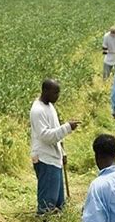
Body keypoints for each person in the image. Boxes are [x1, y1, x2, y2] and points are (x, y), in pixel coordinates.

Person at [30, 79, 80, 215]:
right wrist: (67, 127)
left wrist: (62, 152)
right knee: (47, 201)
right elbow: (45, 136)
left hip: (55, 157)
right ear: (45, 91)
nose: (57, 96)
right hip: (45, 158)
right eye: (55, 93)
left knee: (58, 201)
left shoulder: (50, 106)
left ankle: (54, 220)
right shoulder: (38, 111)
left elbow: (55, 130)